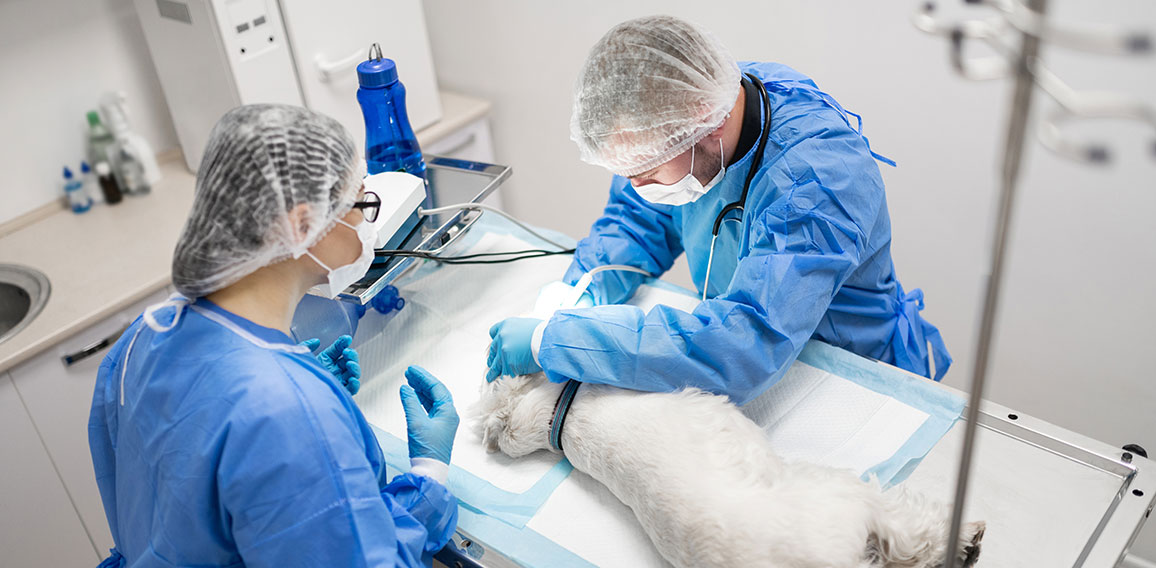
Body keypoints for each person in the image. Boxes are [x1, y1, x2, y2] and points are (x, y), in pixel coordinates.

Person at [487, 15, 951, 404]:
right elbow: (636, 220)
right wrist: (580, 291)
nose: (635, 184)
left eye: (645, 168)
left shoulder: (815, 181)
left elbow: (744, 344)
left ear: (710, 124)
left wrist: (561, 340)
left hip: (850, 378)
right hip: (757, 358)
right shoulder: (674, 111)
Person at [89, 104, 460, 567]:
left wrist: (301, 387)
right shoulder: (289, 415)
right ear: (302, 224)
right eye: (361, 204)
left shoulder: (139, 342)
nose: (367, 223)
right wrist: (428, 479)